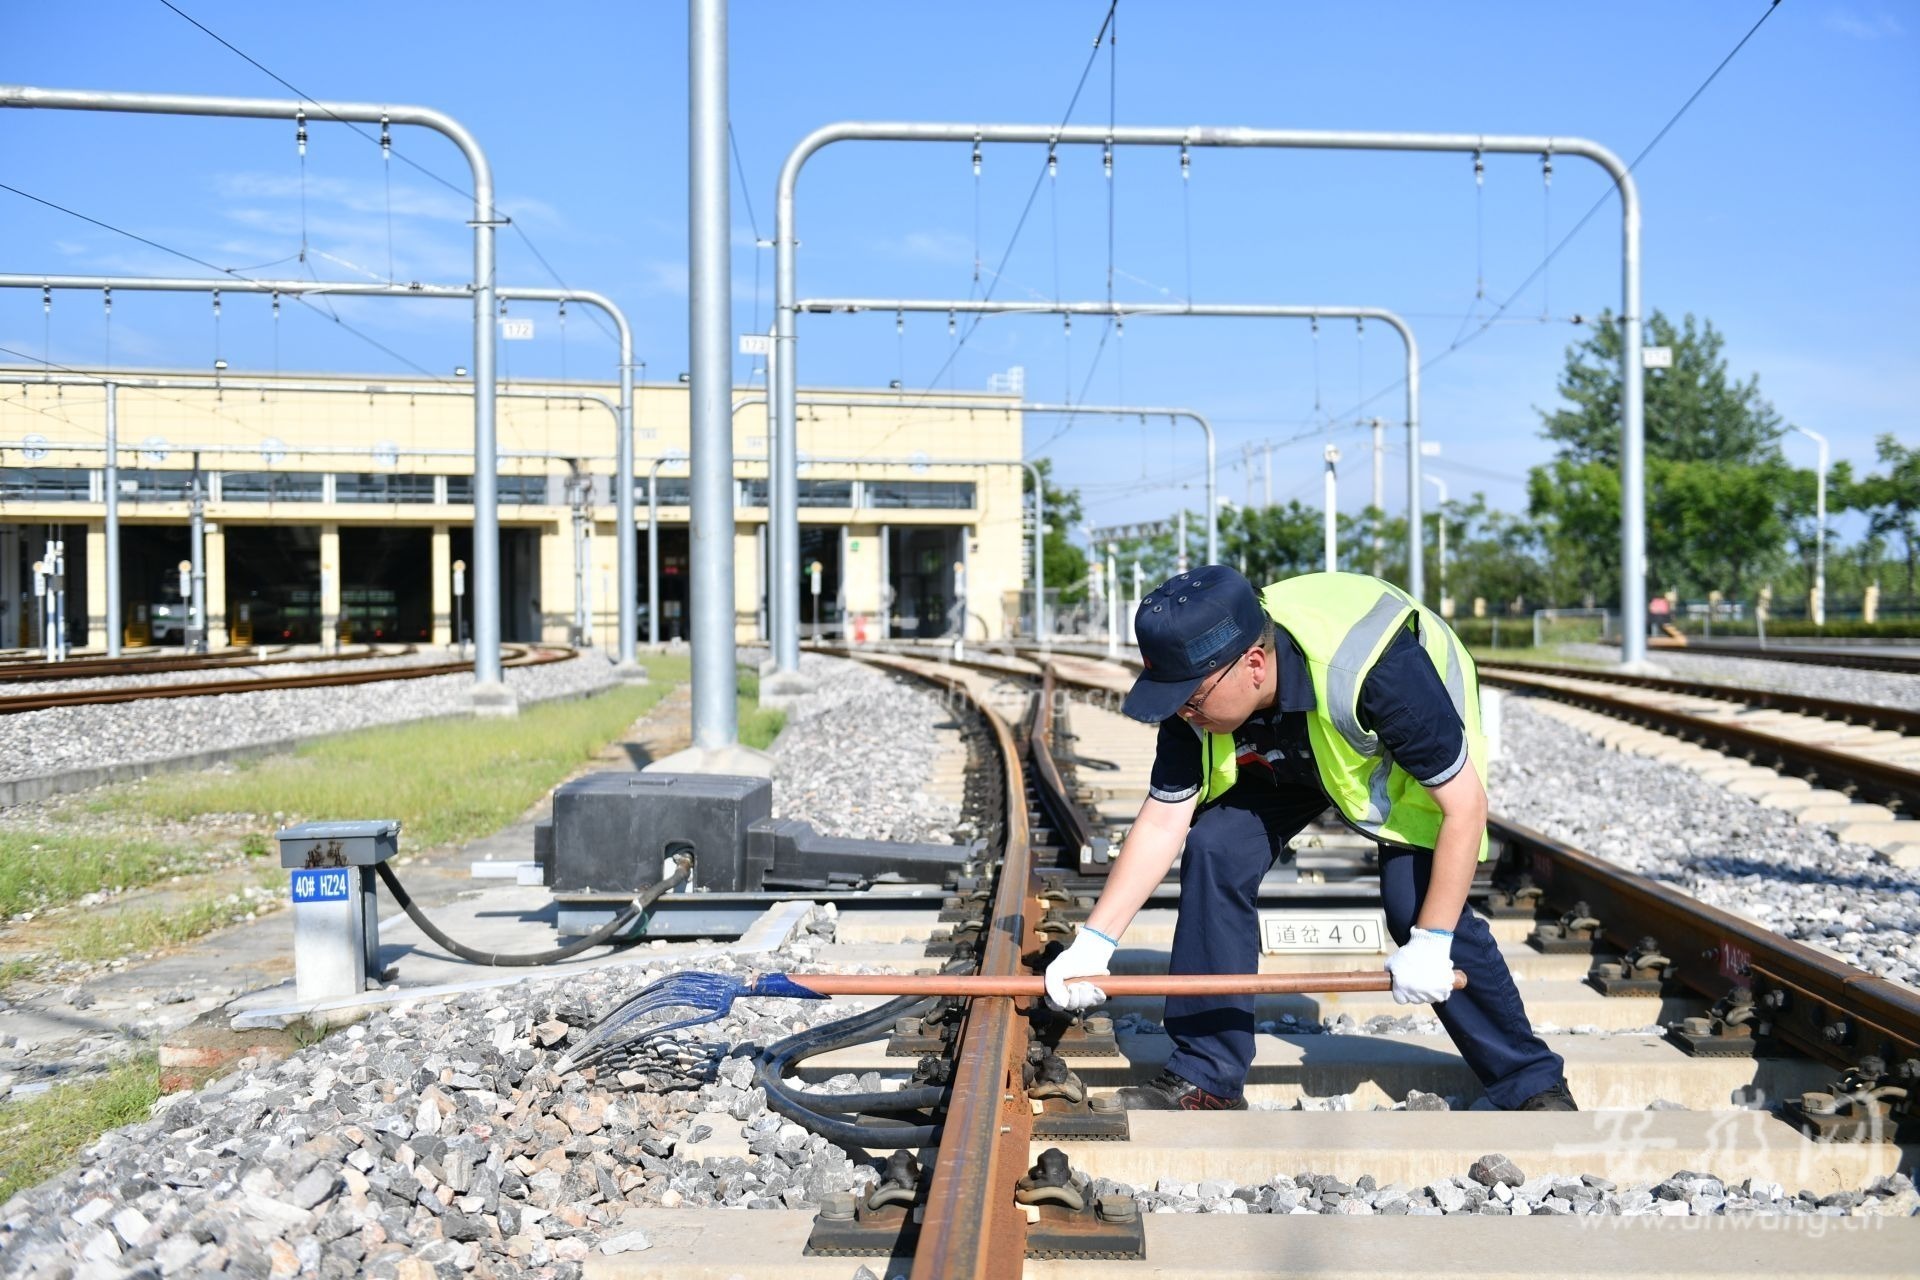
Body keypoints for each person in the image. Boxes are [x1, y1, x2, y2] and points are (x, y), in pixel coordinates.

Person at [1044, 565, 1574, 1112]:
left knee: (1414, 904)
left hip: (1387, 753)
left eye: (1192, 699)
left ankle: (1531, 1082)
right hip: (1287, 748)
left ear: (1253, 664)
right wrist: (1094, 943)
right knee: (1216, 849)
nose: (1183, 712)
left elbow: (1465, 807)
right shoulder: (1198, 686)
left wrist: (1434, 941)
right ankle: (1206, 1075)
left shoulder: (1379, 671)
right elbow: (1162, 821)